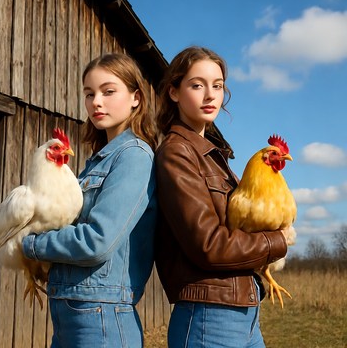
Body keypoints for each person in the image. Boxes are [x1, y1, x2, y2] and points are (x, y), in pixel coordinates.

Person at [154, 46, 291, 348]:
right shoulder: (178, 152)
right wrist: (277, 240)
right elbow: (209, 245)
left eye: (217, 86)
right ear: (174, 92)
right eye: (197, 85)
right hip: (209, 314)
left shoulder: (214, 156)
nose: (210, 95)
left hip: (243, 308)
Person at [22, 53, 157, 347]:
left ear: (136, 98)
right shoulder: (96, 162)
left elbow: (97, 242)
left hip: (101, 315)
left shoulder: (133, 155)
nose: (96, 102)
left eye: (108, 92)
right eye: (89, 94)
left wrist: (29, 244)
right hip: (74, 308)